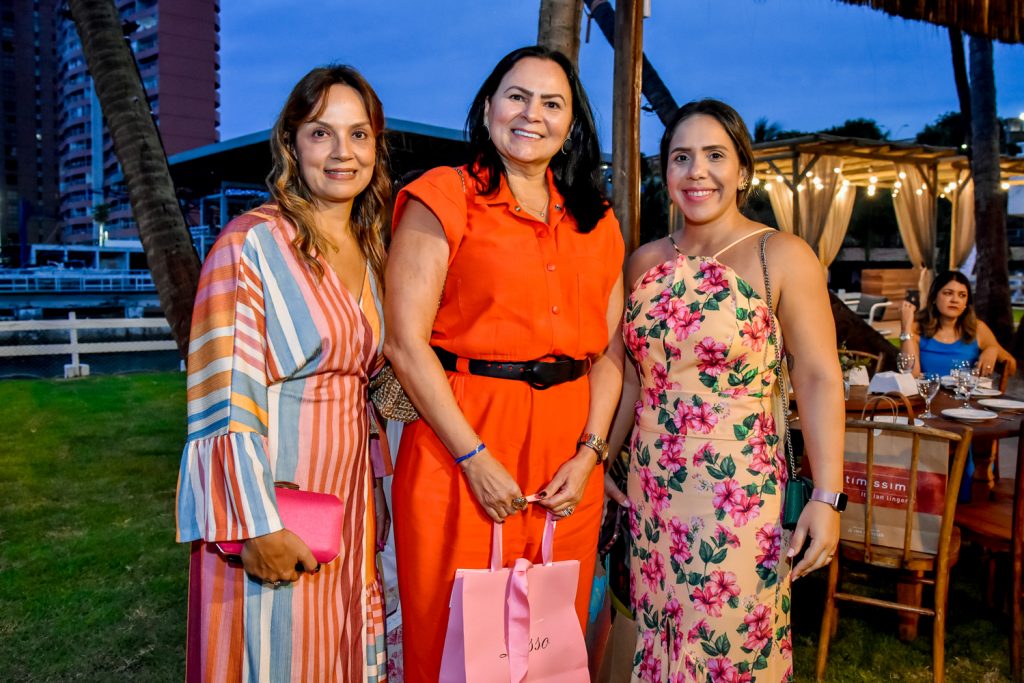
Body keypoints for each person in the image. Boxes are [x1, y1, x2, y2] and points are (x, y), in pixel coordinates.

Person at [384, 45, 625, 682]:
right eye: (517, 96)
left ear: (571, 123)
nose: (531, 114)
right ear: (488, 105)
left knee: (550, 643)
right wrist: (473, 457)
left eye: (552, 103)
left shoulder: (596, 220)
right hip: (461, 442)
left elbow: (609, 353)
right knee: (452, 638)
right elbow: (404, 342)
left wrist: (591, 453)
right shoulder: (443, 195)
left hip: (568, 456)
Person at [606, 99, 844, 681]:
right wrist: (601, 458)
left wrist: (827, 497)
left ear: (742, 170)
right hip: (652, 491)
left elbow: (818, 378)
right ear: (665, 171)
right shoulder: (642, 262)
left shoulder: (782, 255)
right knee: (658, 641)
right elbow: (634, 375)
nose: (697, 172)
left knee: (729, 649)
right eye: (681, 157)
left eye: (715, 155)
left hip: (738, 499)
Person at [175, 65, 392, 682]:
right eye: (322, 133)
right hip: (277, 504)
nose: (343, 152)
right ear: (292, 143)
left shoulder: (373, 248)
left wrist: (379, 481)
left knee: (338, 654)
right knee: (273, 657)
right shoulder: (252, 244)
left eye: (358, 134)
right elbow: (224, 392)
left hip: (349, 506)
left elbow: (367, 385)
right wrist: (254, 526)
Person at [900, 270, 1017, 378]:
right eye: (948, 293)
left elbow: (1011, 369)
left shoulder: (977, 328)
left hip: (965, 394)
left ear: (966, 303)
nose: (955, 300)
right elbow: (910, 374)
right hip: (928, 393)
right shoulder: (916, 328)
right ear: (934, 298)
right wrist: (906, 327)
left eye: (962, 295)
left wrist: (993, 349)